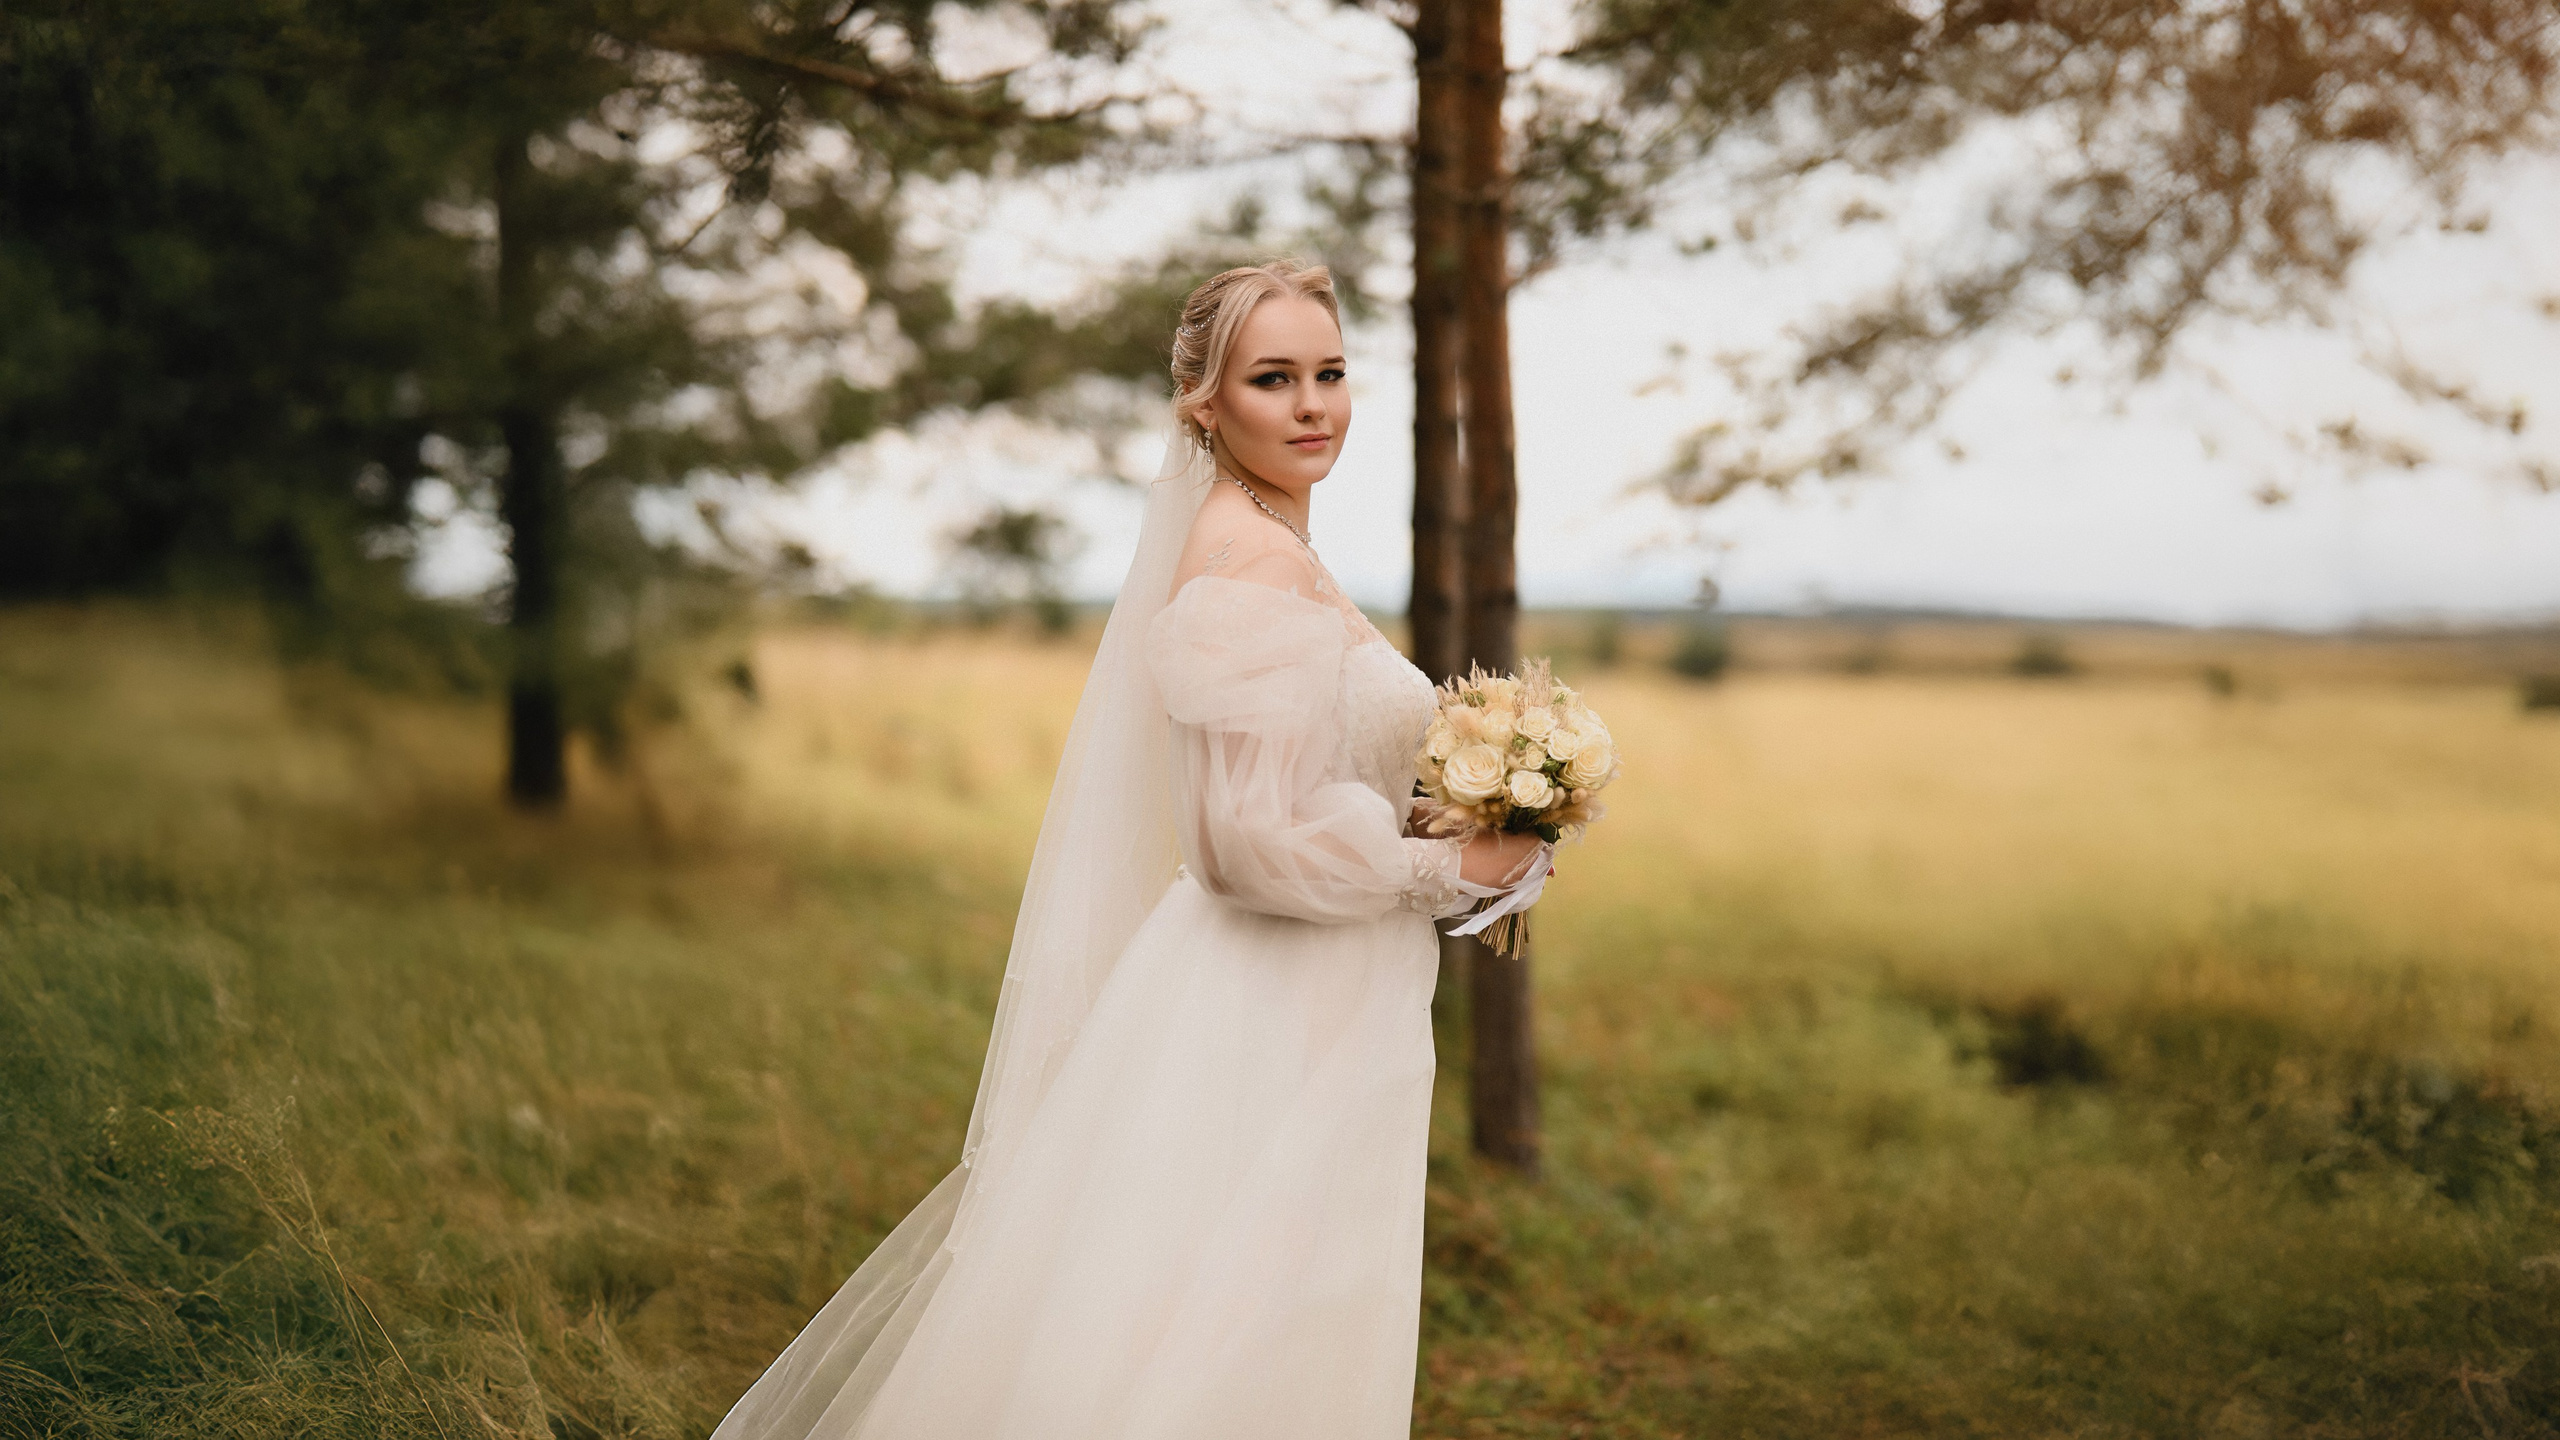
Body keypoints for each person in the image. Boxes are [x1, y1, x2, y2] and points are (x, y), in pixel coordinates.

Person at [711, 259, 1550, 1440]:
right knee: (1232, 1325)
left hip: (1328, 984)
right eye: (1272, 379)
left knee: (1261, 1313)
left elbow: (1304, 783)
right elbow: (1235, 845)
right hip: (1268, 994)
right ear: (1205, 405)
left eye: (1329, 372)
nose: (1313, 405)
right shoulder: (1247, 557)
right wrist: (1445, 875)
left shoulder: (1269, 539)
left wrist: (1478, 813)